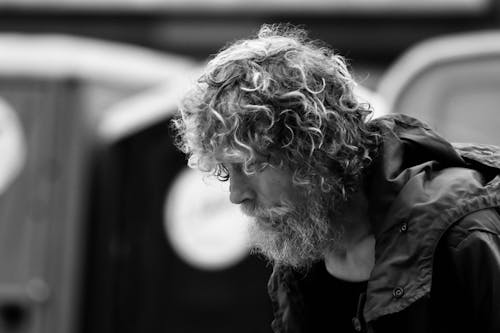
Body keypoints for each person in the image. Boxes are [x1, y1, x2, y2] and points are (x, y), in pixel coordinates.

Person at [172, 24, 500, 333]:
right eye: (226, 172)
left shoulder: (463, 233)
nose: (236, 194)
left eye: (251, 165)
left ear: (310, 148)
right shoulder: (302, 254)